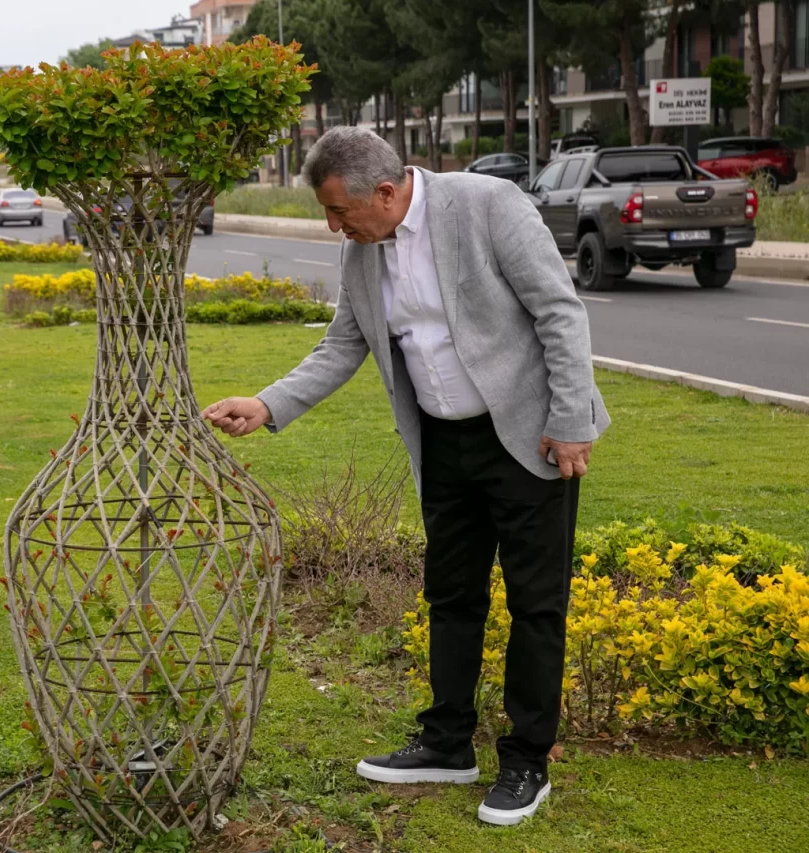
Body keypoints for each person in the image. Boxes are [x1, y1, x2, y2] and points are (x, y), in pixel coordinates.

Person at [201, 126, 609, 827]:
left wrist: (572, 418)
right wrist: (268, 404)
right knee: (450, 595)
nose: (333, 226)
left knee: (536, 603)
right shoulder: (361, 253)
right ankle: (448, 743)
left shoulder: (489, 207)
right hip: (443, 443)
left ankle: (526, 762)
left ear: (385, 192)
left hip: (528, 435)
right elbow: (343, 343)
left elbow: (559, 312)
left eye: (338, 211)